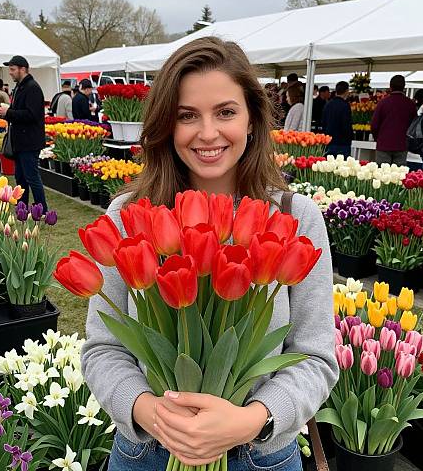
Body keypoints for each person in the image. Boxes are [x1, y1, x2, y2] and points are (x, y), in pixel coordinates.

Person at [81, 37, 338, 471]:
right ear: (167, 125)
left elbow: (316, 357)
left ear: (253, 119)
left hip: (260, 454)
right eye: (186, 116)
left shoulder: (295, 218)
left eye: (225, 112)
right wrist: (152, 414)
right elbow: (102, 349)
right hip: (147, 451)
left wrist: (249, 421)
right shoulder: (130, 217)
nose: (207, 132)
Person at [0, 55, 48, 212]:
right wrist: (8, 111)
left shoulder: (32, 88)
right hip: (21, 141)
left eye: (12, 69)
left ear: (22, 69)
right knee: (21, 178)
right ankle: (22, 208)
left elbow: (32, 115)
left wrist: (8, 112)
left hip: (29, 142)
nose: (10, 73)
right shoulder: (20, 87)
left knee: (31, 177)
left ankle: (42, 210)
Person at [371, 75, 417, 166]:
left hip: (384, 144)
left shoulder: (383, 103)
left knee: (382, 175)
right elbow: (414, 125)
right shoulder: (410, 104)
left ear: (390, 86)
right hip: (402, 144)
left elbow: (374, 125)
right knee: (398, 175)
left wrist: (378, 138)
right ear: (404, 86)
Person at [322, 80, 353, 158]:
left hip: (329, 141)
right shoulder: (345, 105)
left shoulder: (328, 104)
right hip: (342, 143)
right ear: (346, 91)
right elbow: (346, 125)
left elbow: (323, 122)